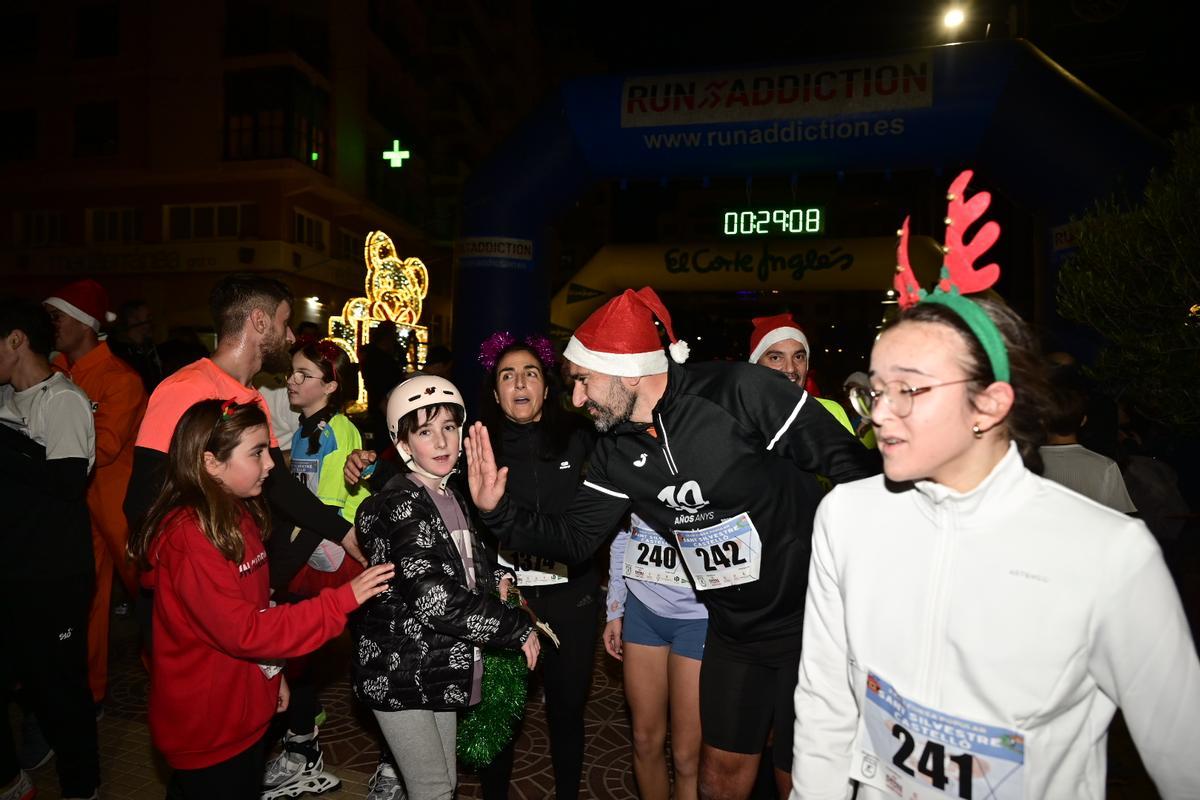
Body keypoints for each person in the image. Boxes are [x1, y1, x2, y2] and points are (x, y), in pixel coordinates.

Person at [792, 171, 1200, 799]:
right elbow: (824, 705)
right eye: (876, 389)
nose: (879, 412)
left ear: (990, 404)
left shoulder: (1107, 554)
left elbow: (1186, 758)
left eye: (910, 389)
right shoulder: (847, 516)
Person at [465, 287, 878, 799]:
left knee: (802, 779)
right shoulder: (614, 450)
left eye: (584, 382)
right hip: (733, 633)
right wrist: (496, 510)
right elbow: (573, 538)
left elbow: (853, 472)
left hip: (811, 621)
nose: (576, 399)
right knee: (719, 778)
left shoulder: (742, 392)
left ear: (630, 373)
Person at [127, 399, 393, 800]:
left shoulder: (237, 514)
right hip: (207, 729)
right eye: (256, 452)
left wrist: (271, 676)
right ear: (211, 463)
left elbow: (257, 606)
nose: (271, 464)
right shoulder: (190, 540)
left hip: (241, 713)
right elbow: (245, 631)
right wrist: (341, 601)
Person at [352, 375, 541, 800]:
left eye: (448, 428)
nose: (440, 442)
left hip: (436, 663)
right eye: (424, 431)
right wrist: (513, 628)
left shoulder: (450, 496)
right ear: (403, 447)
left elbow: (463, 564)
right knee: (434, 789)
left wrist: (497, 579)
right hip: (401, 666)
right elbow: (430, 594)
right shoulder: (403, 502)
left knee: (443, 785)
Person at [124, 273, 363, 601]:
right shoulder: (186, 389)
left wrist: (343, 532)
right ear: (260, 321)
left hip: (238, 570)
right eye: (285, 323)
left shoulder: (254, 398)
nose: (291, 335)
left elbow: (279, 486)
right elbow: (143, 497)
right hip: (191, 583)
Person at [475, 332, 598, 800]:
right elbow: (430, 480)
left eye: (530, 373)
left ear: (547, 386)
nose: (520, 382)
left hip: (573, 598)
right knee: (500, 714)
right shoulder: (480, 444)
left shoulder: (581, 437)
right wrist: (371, 467)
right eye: (507, 375)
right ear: (495, 390)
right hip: (508, 601)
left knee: (567, 711)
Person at [0, 298, 101, 800]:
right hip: (11, 569)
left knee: (60, 692)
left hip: (54, 575)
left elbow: (64, 484)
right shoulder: (2, 397)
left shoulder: (62, 400)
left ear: (16, 340)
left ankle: (82, 789)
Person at [260, 340, 369, 799]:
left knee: (347, 657)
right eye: (293, 373)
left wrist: (278, 565)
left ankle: (314, 749)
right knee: (297, 654)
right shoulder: (308, 429)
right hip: (315, 550)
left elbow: (327, 505)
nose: (292, 381)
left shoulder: (336, 429)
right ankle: (302, 744)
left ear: (331, 384)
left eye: (304, 375)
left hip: (336, 556)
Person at [45, 279, 148, 708]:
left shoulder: (119, 379)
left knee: (149, 598)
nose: (50, 326)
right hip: (78, 505)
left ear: (84, 324)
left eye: (57, 318)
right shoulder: (57, 373)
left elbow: (101, 449)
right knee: (85, 601)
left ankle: (169, 676)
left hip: (120, 507)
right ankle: (89, 692)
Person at [604, 512, 707, 800]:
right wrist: (615, 608)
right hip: (643, 609)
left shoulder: (713, 470)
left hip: (699, 617)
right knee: (644, 739)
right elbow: (623, 533)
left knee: (687, 756)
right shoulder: (637, 467)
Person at [1039, 366, 1136, 512]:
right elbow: (1121, 516)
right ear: (1083, 421)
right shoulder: (1105, 466)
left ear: (1043, 421)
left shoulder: (1024, 462)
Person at [749, 313, 855, 435]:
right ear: (755, 366)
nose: (790, 369)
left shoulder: (830, 412)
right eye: (776, 358)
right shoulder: (739, 419)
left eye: (798, 357)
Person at [109, 298, 164, 391]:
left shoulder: (150, 349)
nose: (151, 322)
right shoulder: (121, 353)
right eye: (147, 317)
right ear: (133, 320)